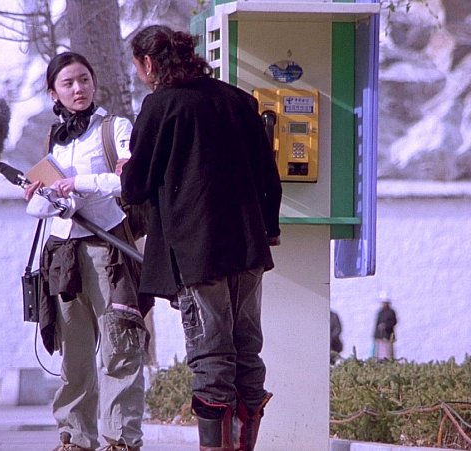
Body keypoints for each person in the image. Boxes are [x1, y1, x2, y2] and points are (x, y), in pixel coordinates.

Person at [122, 25, 282, 451]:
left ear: (149, 63)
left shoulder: (160, 106)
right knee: (247, 352)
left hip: (197, 253)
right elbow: (269, 177)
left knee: (211, 356)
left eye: (138, 66)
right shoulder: (238, 100)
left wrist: (126, 170)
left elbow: (135, 187)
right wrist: (269, 229)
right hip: (249, 248)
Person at [24, 51, 150, 451]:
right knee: (74, 353)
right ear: (53, 93)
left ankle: (122, 439)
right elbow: (43, 206)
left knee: (119, 346)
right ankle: (76, 438)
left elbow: (129, 181)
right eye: (68, 83)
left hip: (108, 249)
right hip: (62, 252)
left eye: (84, 80)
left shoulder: (115, 129)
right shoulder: (54, 139)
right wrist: (41, 196)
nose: (78, 89)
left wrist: (80, 184)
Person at [372, 294, 397, 359]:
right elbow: (377, 324)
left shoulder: (391, 312)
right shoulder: (380, 312)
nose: (383, 304)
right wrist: (376, 336)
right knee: (379, 355)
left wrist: (385, 326)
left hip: (388, 336)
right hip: (380, 337)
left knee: (388, 354)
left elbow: (394, 322)